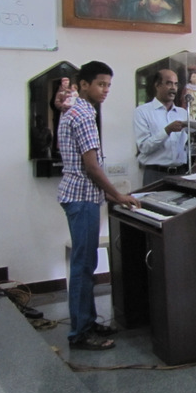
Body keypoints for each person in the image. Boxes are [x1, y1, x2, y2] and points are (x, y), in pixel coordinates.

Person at [57, 61, 141, 350]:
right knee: (83, 267)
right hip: (82, 198)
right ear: (84, 85)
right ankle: (80, 333)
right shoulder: (83, 114)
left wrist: (110, 196)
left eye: (108, 85)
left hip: (80, 196)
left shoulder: (74, 109)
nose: (105, 90)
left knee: (86, 264)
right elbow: (92, 166)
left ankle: (88, 322)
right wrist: (117, 195)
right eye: (101, 84)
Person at [134, 69, 190, 186]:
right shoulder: (142, 112)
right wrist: (167, 130)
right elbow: (144, 148)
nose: (173, 88)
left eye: (176, 84)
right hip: (155, 174)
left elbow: (187, 144)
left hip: (181, 173)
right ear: (157, 85)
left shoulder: (183, 113)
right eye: (169, 83)